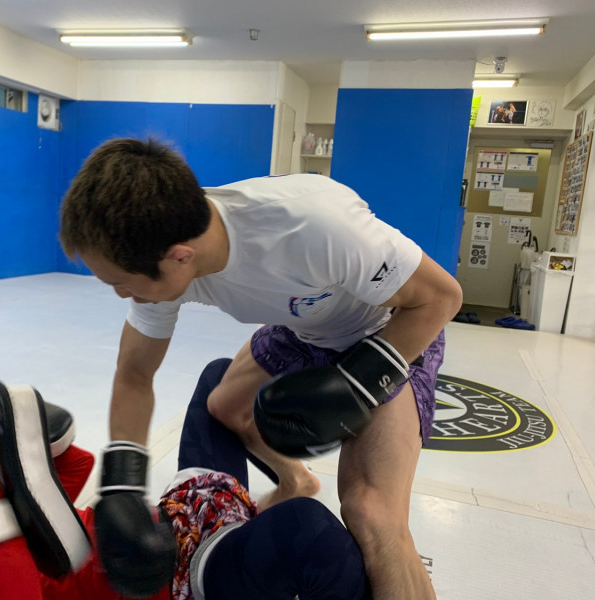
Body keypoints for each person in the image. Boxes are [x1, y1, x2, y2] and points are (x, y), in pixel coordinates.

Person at [59, 137, 462, 599]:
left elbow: (442, 298)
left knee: (373, 513)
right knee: (224, 408)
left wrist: (357, 383)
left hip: (390, 330)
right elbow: (135, 374)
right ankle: (296, 480)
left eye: (120, 283)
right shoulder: (161, 235)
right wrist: (122, 485)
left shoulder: (316, 226)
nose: (120, 294)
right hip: (304, 324)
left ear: (180, 256)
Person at [0, 364, 372, 600]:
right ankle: (278, 509)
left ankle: (290, 479)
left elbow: (70, 471)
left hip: (177, 520)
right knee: (307, 532)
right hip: (181, 580)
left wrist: (12, 435)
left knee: (224, 383)